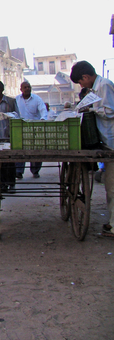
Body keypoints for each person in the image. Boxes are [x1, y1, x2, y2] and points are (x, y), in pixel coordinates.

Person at [70, 60, 114, 237]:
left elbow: (110, 111)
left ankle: (113, 225)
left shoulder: (104, 86)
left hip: (111, 141)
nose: (81, 85)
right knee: (109, 186)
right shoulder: (96, 88)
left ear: (86, 77)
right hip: (106, 139)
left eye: (81, 82)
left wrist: (93, 109)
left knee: (112, 187)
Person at [15, 81, 48, 179]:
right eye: (25, 87)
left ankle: (35, 170)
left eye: (28, 87)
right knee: (20, 150)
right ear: (21, 89)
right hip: (20, 128)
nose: (27, 89)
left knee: (36, 150)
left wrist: (43, 119)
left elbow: (43, 110)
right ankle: (19, 171)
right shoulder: (17, 99)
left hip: (35, 128)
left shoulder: (37, 99)